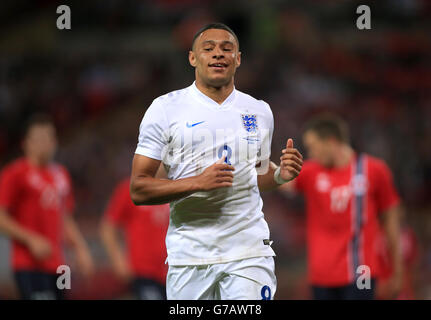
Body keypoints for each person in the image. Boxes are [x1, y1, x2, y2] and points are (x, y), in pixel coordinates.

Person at [129, 23, 303, 300]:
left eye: (227, 48)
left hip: (249, 250)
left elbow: (255, 176)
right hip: (190, 253)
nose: (218, 54)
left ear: (238, 58)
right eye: (208, 49)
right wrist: (198, 182)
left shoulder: (260, 111)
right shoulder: (165, 109)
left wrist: (281, 175)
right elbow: (138, 189)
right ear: (193, 58)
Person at [280, 113, 403, 300]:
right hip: (321, 275)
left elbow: (392, 221)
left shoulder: (374, 170)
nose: (311, 154)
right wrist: (278, 171)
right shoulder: (310, 171)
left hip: (362, 270)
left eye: (313, 147)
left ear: (331, 141)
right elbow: (281, 183)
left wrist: (397, 269)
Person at [0, 114, 94, 300]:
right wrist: (30, 239)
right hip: (29, 264)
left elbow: (65, 218)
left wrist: (80, 248)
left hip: (60, 265)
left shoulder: (61, 175)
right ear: (26, 143)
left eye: (49, 138)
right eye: (39, 138)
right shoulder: (15, 173)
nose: (46, 143)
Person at [100, 176, 169, 300]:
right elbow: (108, 227)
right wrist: (118, 259)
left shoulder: (176, 187)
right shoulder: (132, 188)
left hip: (173, 272)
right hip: (143, 271)